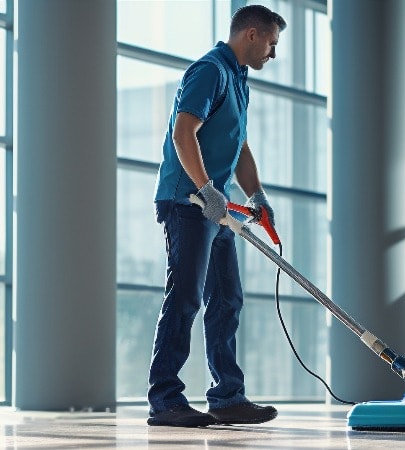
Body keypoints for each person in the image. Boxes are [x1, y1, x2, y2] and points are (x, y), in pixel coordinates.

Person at [147, 4, 286, 428]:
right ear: (250, 34)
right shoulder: (209, 70)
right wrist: (206, 189)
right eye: (271, 44)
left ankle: (227, 397)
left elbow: (238, 146)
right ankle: (165, 400)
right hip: (188, 203)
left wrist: (256, 194)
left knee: (226, 300)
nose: (272, 55)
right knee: (186, 297)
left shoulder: (239, 79)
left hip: (217, 207)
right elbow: (182, 130)